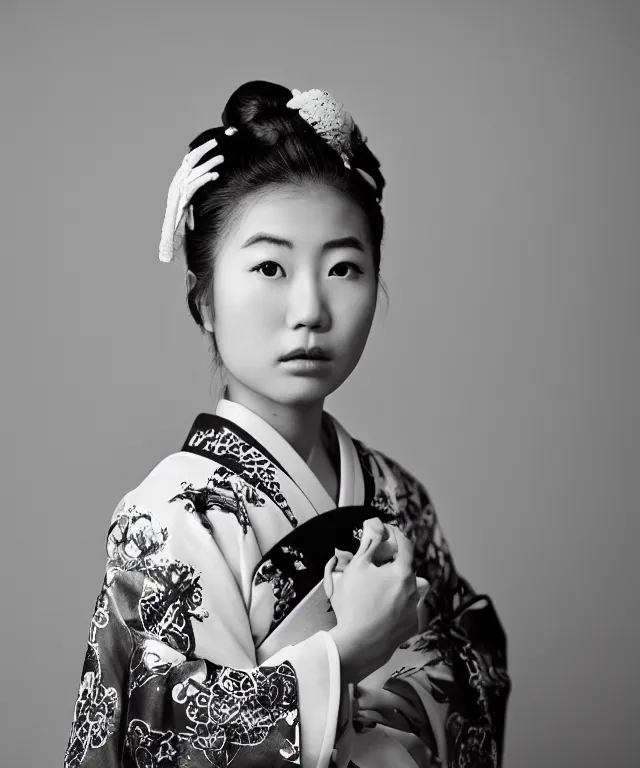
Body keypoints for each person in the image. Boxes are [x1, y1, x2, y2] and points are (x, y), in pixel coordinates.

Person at [64, 81, 511, 768]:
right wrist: (347, 654)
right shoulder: (171, 517)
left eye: (343, 267)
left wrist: (408, 693)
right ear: (204, 298)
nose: (310, 307)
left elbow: (474, 658)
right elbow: (167, 738)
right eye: (270, 266)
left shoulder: (400, 495)